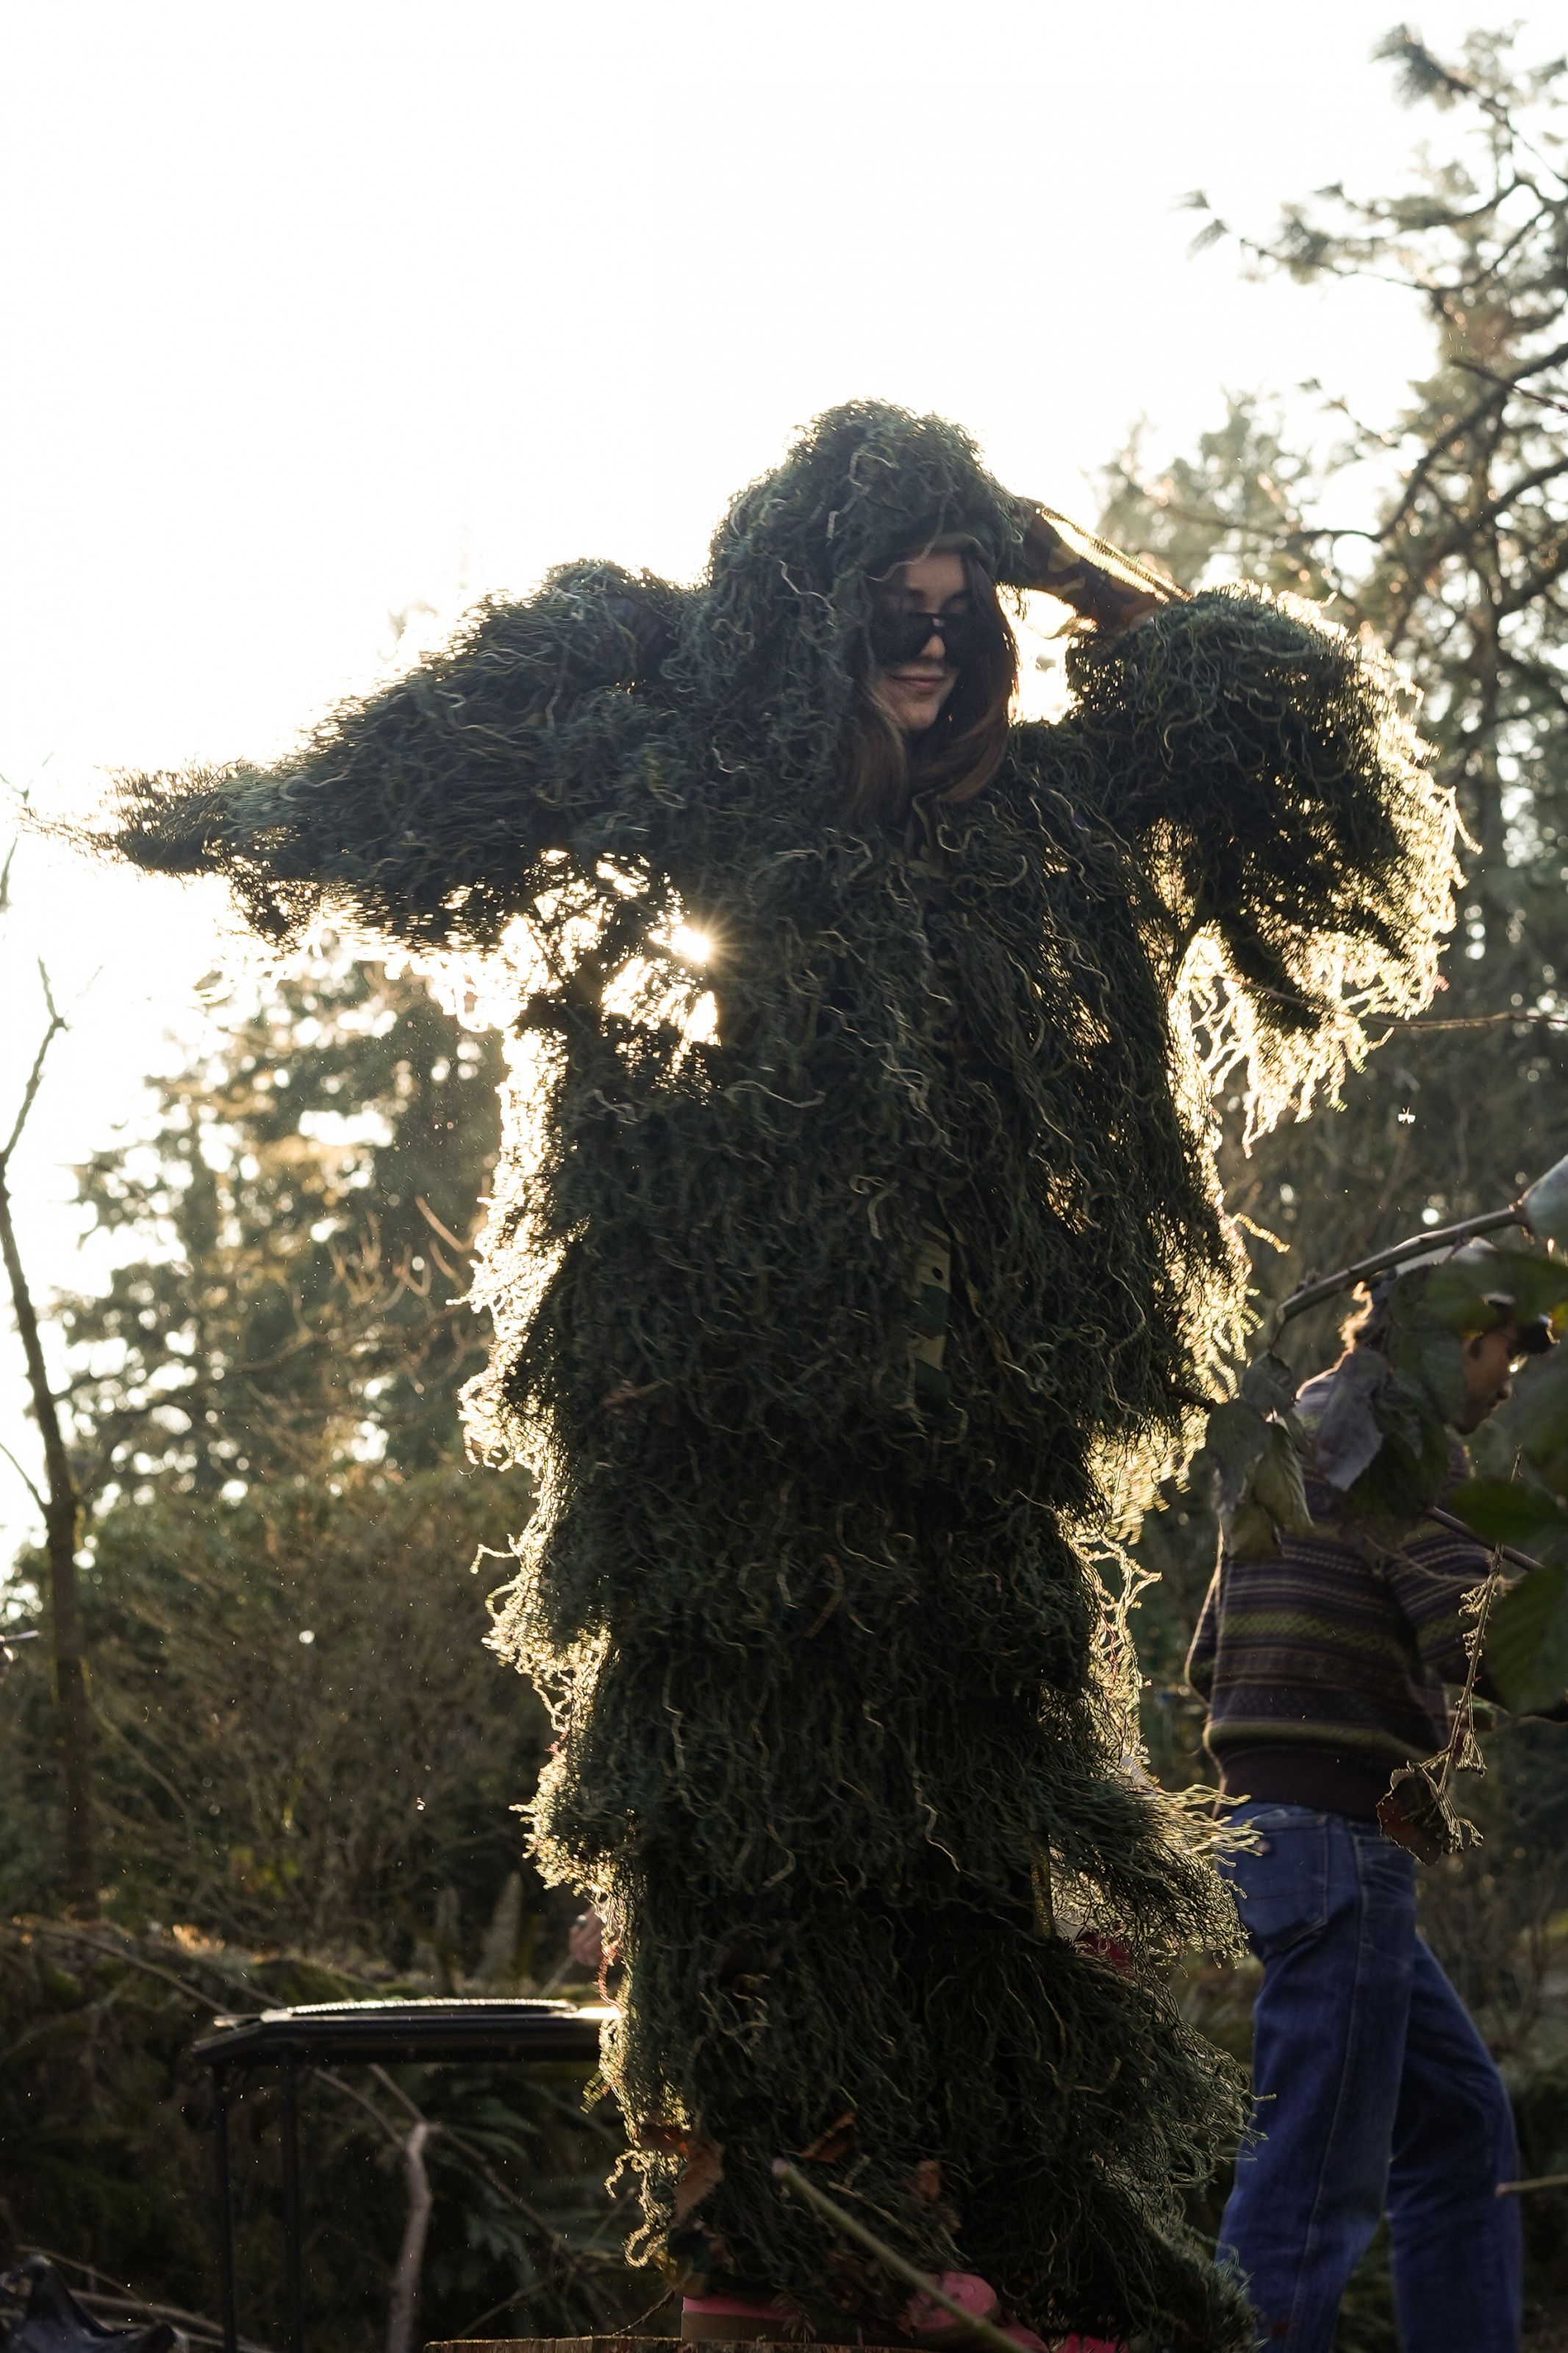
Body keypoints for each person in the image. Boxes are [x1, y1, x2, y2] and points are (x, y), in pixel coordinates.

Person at [87, 402, 1458, 2350]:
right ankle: (792, 2261)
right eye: (884, 609)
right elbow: (428, 780)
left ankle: (997, 2256)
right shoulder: (691, 795)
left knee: (986, 1890)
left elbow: (1279, 728)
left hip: (969, 1498)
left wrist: (1067, 572)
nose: (925, 644)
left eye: (951, 608)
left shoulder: (1033, 829)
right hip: (723, 1499)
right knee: (746, 1891)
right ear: (795, 623)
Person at [1186, 1249, 1552, 2352]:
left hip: (1273, 1829)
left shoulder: (1289, 1437)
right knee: (1314, 2182)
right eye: (1502, 1353)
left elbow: (1211, 1656)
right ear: (1448, 1342)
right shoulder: (1399, 1449)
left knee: (1453, 2121)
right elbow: (1476, 1638)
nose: (1502, 1384)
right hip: (1338, 1846)